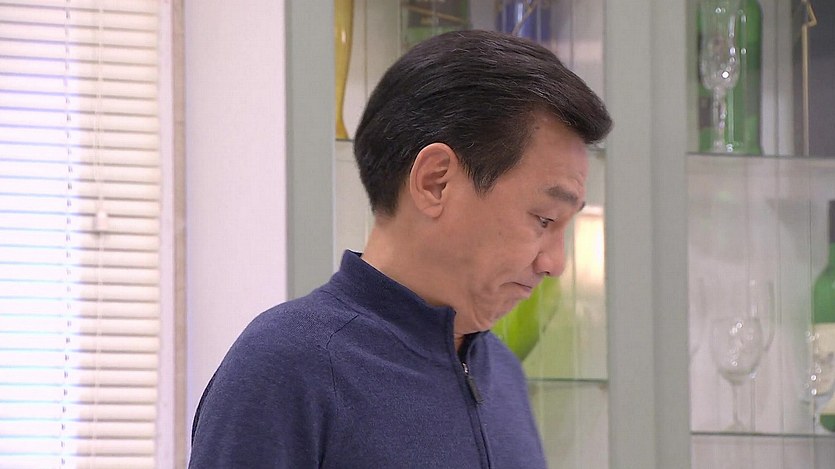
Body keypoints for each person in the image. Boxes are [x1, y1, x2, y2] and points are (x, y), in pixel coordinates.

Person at [189, 29, 612, 468]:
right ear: (435, 182)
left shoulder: (502, 372)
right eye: (544, 219)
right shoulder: (288, 365)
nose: (555, 263)